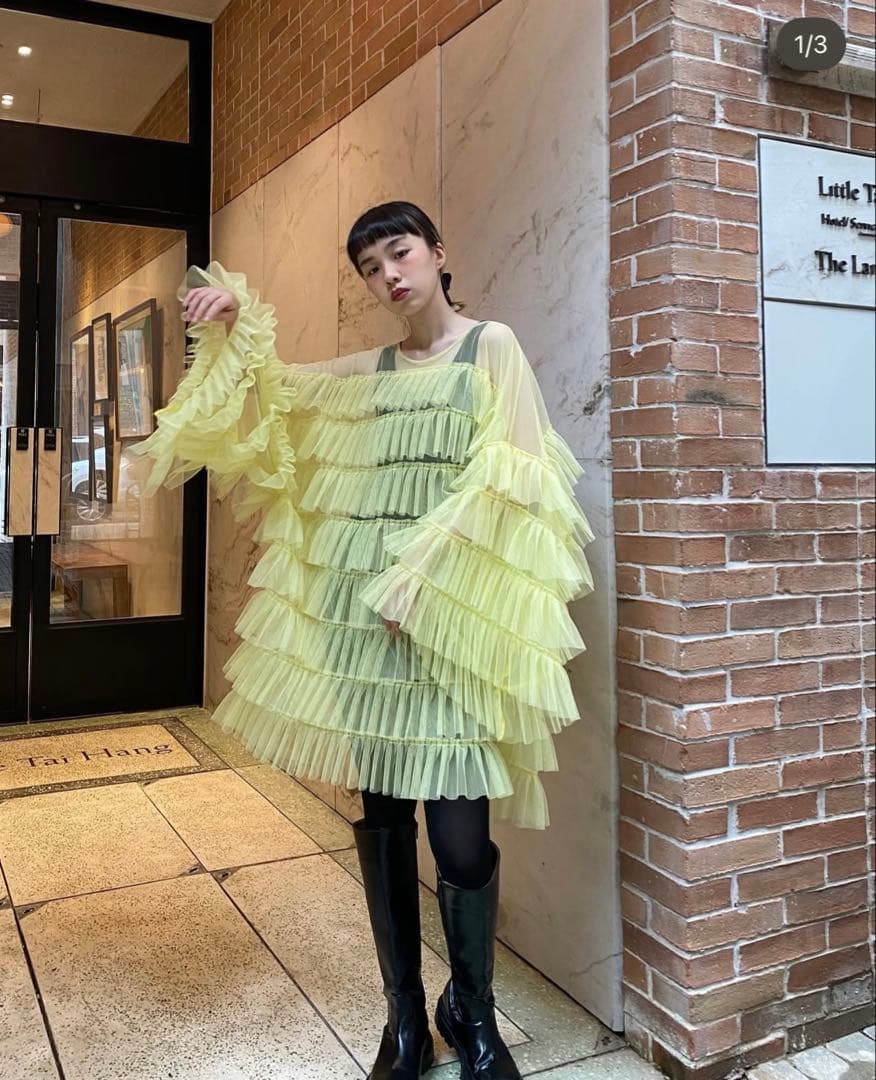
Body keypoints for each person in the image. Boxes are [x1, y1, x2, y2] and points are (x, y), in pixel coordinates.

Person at [128, 201, 595, 1080]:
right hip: (366, 632)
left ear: (438, 253)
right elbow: (283, 390)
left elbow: (514, 475)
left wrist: (420, 573)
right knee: (383, 818)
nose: (390, 276)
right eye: (372, 268)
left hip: (447, 625)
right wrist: (235, 320)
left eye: (401, 253)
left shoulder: (490, 347)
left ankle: (473, 1014)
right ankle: (405, 1019)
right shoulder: (371, 370)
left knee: (459, 838)